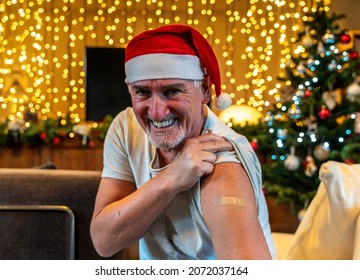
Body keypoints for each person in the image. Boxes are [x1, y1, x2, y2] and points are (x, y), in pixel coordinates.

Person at [90, 24, 276, 260]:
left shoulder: (225, 162)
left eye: (173, 91)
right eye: (142, 92)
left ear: (205, 90)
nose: (156, 112)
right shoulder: (127, 128)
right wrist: (172, 178)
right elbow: (104, 241)